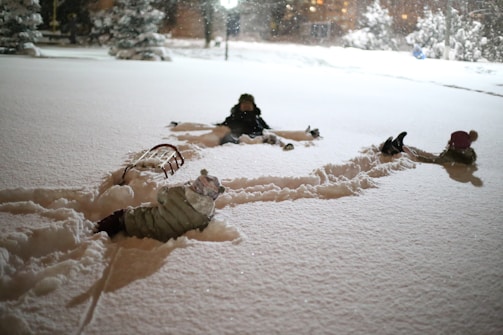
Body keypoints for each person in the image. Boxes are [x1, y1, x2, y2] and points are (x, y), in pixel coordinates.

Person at [95, 169, 225, 242]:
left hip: (147, 224)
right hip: (167, 236)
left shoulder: (178, 192)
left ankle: (97, 231)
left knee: (124, 216)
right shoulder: (207, 212)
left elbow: (161, 195)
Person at [404, 130, 478, 165]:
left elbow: (453, 135)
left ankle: (417, 155)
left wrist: (451, 144)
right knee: (435, 160)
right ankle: (416, 157)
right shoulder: (466, 144)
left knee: (436, 158)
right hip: (451, 155)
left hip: (450, 153)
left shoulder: (465, 139)